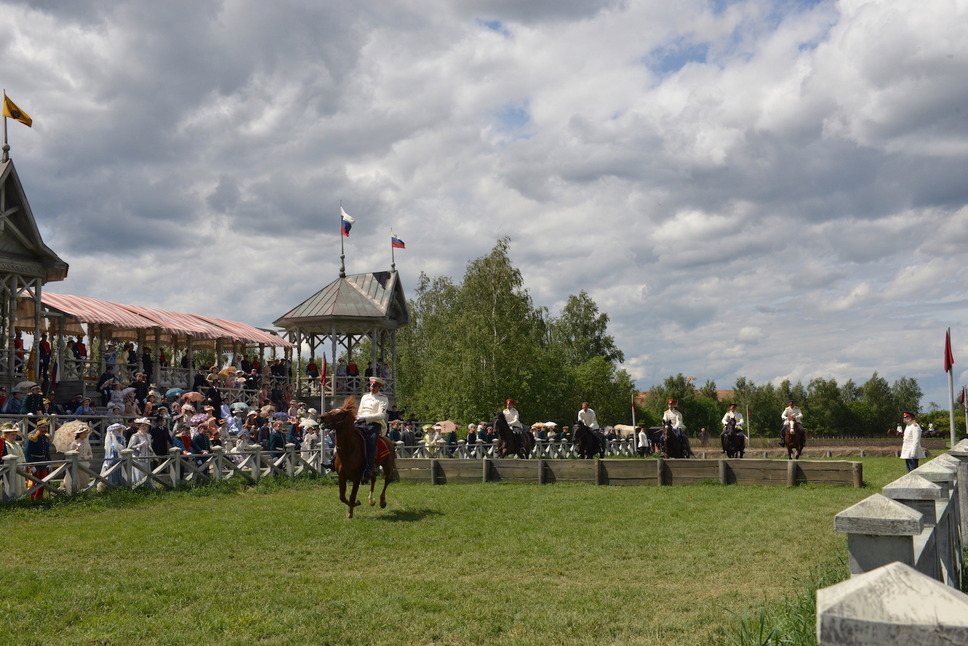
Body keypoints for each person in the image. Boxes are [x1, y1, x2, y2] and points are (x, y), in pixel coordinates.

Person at [356, 376, 388, 479]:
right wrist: (358, 418)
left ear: (379, 388)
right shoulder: (364, 397)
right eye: (371, 385)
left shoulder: (383, 398)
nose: (372, 388)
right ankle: (334, 460)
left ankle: (369, 468)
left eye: (375, 386)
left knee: (371, 442)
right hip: (360, 422)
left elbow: (381, 415)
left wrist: (365, 417)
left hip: (374, 424)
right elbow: (360, 411)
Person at [24, 419, 52, 500]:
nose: (44, 429)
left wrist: (49, 462)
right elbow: (27, 453)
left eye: (46, 427)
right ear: (38, 428)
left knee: (43, 481)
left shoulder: (46, 438)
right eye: (42, 428)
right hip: (34, 462)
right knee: (33, 482)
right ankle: (31, 498)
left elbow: (47, 452)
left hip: (43, 463)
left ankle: (39, 498)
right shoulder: (32, 438)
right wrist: (30, 465)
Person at [63, 426, 93, 493]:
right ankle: (75, 492)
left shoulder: (87, 444)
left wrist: (87, 457)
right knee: (76, 478)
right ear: (79, 434)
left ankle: (85, 492)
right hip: (76, 463)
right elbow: (69, 454)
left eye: (86, 433)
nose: (85, 435)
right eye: (84, 433)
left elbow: (91, 455)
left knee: (85, 478)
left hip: (85, 464)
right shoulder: (74, 443)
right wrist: (76, 450)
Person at [1, 423, 26, 498]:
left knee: (21, 484)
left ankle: (22, 499)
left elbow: (22, 455)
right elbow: (8, 456)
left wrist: (24, 464)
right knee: (15, 485)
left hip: (21, 468)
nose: (14, 437)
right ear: (6, 435)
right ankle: (14, 500)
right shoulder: (6, 445)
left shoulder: (17, 444)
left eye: (15, 435)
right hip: (13, 468)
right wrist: (17, 465)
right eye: (12, 435)